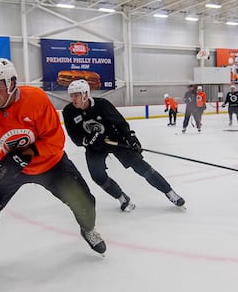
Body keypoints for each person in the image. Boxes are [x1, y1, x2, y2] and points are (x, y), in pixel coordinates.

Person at [0, 58, 105, 274]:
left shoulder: (35, 99)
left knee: (85, 203)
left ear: (12, 83)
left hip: (51, 164)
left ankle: (88, 229)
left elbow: (55, 139)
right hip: (10, 168)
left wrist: (27, 153)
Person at [62, 79, 185, 213]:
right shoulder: (69, 112)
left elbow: (121, 123)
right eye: (72, 95)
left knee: (141, 166)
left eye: (76, 95)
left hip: (115, 140)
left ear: (85, 94)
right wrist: (89, 139)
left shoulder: (102, 104)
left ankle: (170, 192)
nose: (73, 98)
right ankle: (122, 198)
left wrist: (131, 138)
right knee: (97, 176)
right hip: (95, 147)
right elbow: (75, 137)